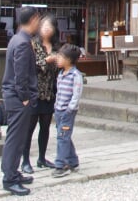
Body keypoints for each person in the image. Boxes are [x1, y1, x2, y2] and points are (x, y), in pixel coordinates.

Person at [0, 7, 40, 196]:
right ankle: (9, 178)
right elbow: (20, 75)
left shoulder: (17, 38)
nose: (39, 23)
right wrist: (24, 97)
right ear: (32, 19)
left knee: (16, 137)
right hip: (18, 98)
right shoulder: (23, 43)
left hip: (13, 95)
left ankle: (13, 171)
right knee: (15, 138)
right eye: (38, 19)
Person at [22, 16, 58, 173]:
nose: (46, 29)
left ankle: (42, 158)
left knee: (45, 127)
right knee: (29, 128)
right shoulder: (33, 44)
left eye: (50, 26)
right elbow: (31, 65)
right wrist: (47, 61)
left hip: (49, 92)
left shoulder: (56, 47)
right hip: (35, 91)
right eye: (44, 26)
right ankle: (25, 161)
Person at [51, 44, 83, 178]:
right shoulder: (61, 74)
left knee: (62, 137)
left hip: (67, 111)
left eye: (61, 57)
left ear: (69, 60)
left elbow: (77, 94)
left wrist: (70, 108)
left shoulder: (75, 75)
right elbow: (58, 92)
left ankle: (61, 164)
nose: (58, 59)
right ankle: (72, 161)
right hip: (59, 108)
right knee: (64, 135)